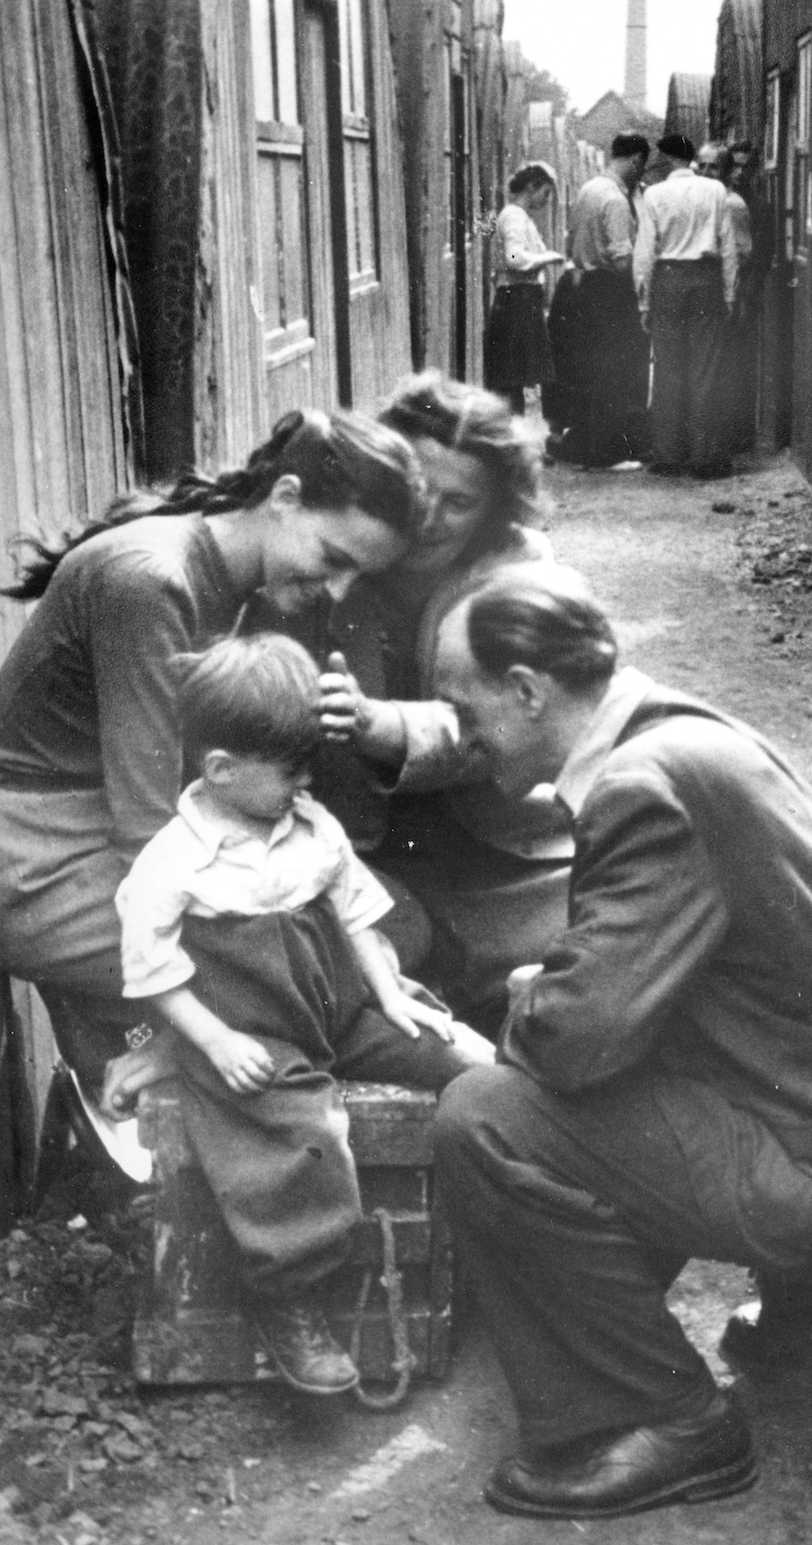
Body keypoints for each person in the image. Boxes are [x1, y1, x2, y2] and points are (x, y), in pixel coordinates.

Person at [430, 563, 812, 1520]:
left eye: (469, 712)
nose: (466, 740)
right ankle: (797, 1296)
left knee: (486, 1117)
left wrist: (535, 989)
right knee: (640, 1039)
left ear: (529, 691)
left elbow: (574, 1046)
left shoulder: (637, 787)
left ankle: (672, 1418)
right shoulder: (688, 726)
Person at [0, 410, 426, 1097]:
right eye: (334, 558)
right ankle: (168, 1068)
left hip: (102, 833)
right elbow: (145, 828)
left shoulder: (227, 575)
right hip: (33, 857)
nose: (339, 588)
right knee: (304, 953)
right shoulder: (151, 582)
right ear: (284, 499)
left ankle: (184, 1057)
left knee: (377, 921)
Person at [115, 634, 490, 1394]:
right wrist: (215, 1041)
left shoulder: (311, 826)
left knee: (462, 1057)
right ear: (220, 770)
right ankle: (286, 1292)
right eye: (291, 771)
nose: (306, 781)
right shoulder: (175, 862)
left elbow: (356, 917)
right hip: (254, 1032)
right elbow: (153, 968)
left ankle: (501, 1224)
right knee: (308, 1138)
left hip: (338, 1008)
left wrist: (390, 997)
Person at [298, 372, 571, 1034]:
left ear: (496, 509)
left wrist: (381, 724)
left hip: (494, 840)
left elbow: (503, 721)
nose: (428, 517)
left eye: (460, 502)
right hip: (357, 836)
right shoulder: (346, 547)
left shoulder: (519, 573)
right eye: (419, 487)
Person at [633, 133, 739, 477]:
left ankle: (668, 454)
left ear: (666, 160)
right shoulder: (716, 191)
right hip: (706, 281)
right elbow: (728, 247)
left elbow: (645, 251)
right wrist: (728, 294)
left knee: (667, 367)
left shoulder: (654, 194)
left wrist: (644, 300)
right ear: (692, 158)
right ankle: (706, 457)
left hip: (668, 282)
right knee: (705, 368)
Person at [551, 133, 651, 466]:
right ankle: (607, 453)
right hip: (610, 290)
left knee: (586, 371)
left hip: (580, 287)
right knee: (614, 372)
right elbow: (622, 259)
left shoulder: (588, 190)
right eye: (642, 164)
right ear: (636, 160)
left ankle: (581, 443)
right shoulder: (617, 200)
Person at [485, 164, 565, 415]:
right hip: (516, 300)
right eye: (546, 192)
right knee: (511, 380)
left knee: (513, 379)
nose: (547, 200)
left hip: (518, 299)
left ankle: (512, 437)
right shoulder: (514, 216)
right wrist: (548, 258)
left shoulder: (516, 215)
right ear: (531, 187)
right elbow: (513, 258)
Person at [698, 142, 757, 460]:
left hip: (729, 294)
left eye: (714, 167)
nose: (707, 173)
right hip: (710, 295)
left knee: (725, 368)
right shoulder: (706, 201)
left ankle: (728, 441)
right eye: (702, 166)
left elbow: (743, 254)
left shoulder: (732, 205)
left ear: (725, 172)